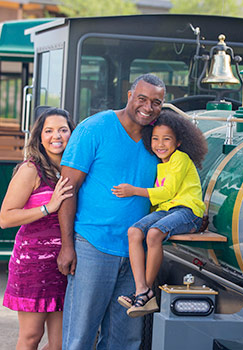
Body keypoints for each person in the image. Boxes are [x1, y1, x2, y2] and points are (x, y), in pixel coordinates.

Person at [57, 73, 165, 350]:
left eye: (156, 102)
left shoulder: (157, 139)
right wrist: (67, 246)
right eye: (142, 98)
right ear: (129, 96)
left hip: (135, 254)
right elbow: (68, 190)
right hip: (93, 246)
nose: (148, 107)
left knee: (125, 340)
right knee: (79, 336)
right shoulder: (94, 128)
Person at [112, 109, 208, 318]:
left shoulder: (180, 159)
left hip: (188, 211)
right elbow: (161, 201)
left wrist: (133, 190)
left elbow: (167, 191)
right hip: (168, 210)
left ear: (179, 142)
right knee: (134, 232)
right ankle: (141, 290)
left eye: (166, 139)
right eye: (155, 139)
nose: (160, 144)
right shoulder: (160, 164)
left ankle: (146, 293)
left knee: (154, 233)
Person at [0, 107, 75, 350]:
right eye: (49, 130)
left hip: (65, 264)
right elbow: (5, 218)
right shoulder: (30, 169)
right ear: (39, 137)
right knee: (31, 336)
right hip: (33, 265)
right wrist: (48, 207)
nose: (57, 136)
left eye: (63, 130)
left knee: (61, 343)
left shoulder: (74, 169)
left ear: (72, 134)